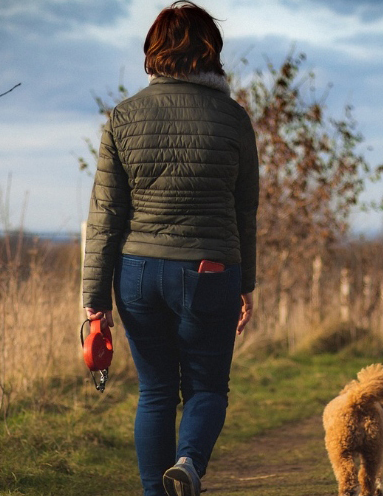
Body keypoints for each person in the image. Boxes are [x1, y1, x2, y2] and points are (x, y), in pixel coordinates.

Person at [81, 2, 258, 495]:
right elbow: (246, 211)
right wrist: (247, 284)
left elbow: (105, 215)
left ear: (154, 51)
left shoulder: (124, 116)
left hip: (137, 274)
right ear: (211, 52)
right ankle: (188, 461)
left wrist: (94, 300)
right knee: (206, 389)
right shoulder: (234, 119)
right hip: (210, 270)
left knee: (155, 392)